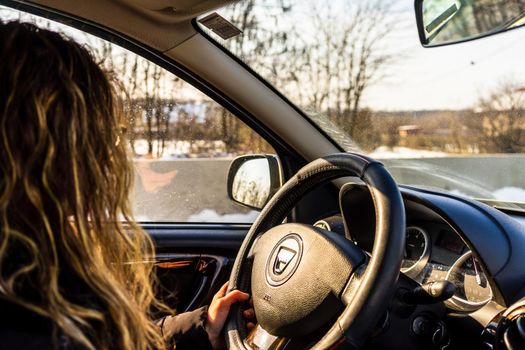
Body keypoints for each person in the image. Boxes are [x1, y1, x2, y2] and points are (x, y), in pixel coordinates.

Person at [0, 20, 253, 350]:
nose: (110, 153)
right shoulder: (28, 308)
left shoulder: (35, 271)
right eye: (101, 133)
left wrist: (203, 326)